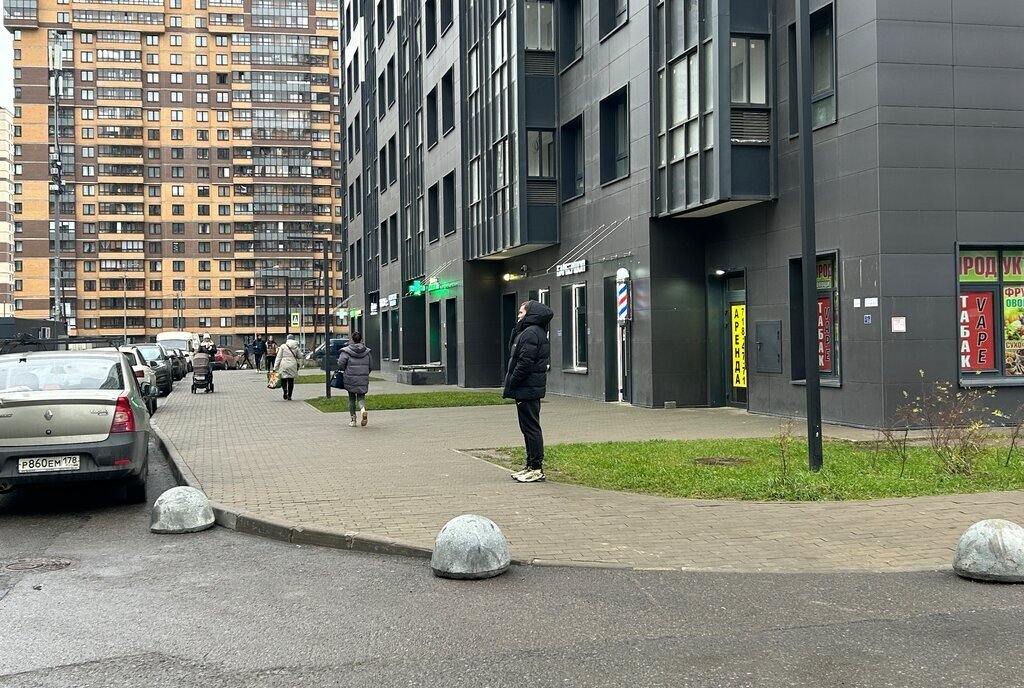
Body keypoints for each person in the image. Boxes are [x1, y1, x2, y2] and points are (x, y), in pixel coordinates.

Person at [503, 300, 553, 483]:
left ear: (530, 314)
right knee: (527, 428)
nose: (518, 316)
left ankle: (536, 468)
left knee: (531, 429)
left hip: (527, 388)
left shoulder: (531, 333)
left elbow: (524, 362)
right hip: (527, 387)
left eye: (521, 312)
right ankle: (530, 465)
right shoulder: (530, 331)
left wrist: (513, 382)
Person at [337, 331, 373, 427]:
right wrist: (365, 373)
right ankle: (363, 410)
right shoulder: (367, 352)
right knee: (361, 397)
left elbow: (340, 364)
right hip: (363, 378)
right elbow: (371, 366)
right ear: (361, 339)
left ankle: (353, 420)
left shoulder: (346, 351)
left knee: (351, 398)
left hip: (350, 378)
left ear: (352, 339)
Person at [274, 334, 301, 400]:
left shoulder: (283, 346)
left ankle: (285, 390)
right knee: (291, 380)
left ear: (287, 339)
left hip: (284, 364)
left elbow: (278, 357)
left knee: (283, 379)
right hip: (292, 364)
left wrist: (275, 367)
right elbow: (300, 356)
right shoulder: (296, 346)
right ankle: (289, 395)